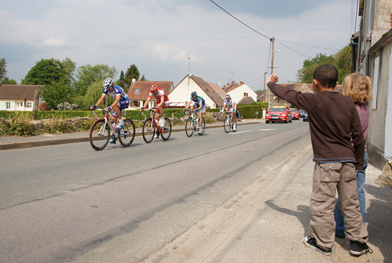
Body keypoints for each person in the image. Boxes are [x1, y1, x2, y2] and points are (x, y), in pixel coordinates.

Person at [266, 65, 371, 257]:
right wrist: (357, 163)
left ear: (314, 83)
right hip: (348, 161)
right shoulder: (348, 103)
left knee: (323, 203)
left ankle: (324, 244)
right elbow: (357, 135)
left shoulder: (313, 100)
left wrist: (271, 83)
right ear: (337, 83)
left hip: (327, 163)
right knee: (350, 203)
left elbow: (288, 94)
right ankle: (358, 243)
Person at [334, 73, 372, 238]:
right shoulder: (364, 107)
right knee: (358, 193)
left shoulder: (349, 109)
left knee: (345, 194)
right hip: (361, 154)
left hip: (349, 156)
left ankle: (341, 228)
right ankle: (358, 227)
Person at [90, 78, 129, 143]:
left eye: (109, 88)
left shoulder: (117, 89)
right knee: (113, 121)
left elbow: (117, 99)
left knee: (115, 106)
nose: (108, 90)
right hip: (117, 103)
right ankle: (115, 135)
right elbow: (101, 98)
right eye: (106, 88)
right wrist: (96, 106)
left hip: (125, 101)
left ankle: (121, 121)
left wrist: (110, 107)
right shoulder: (106, 90)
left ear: (112, 85)